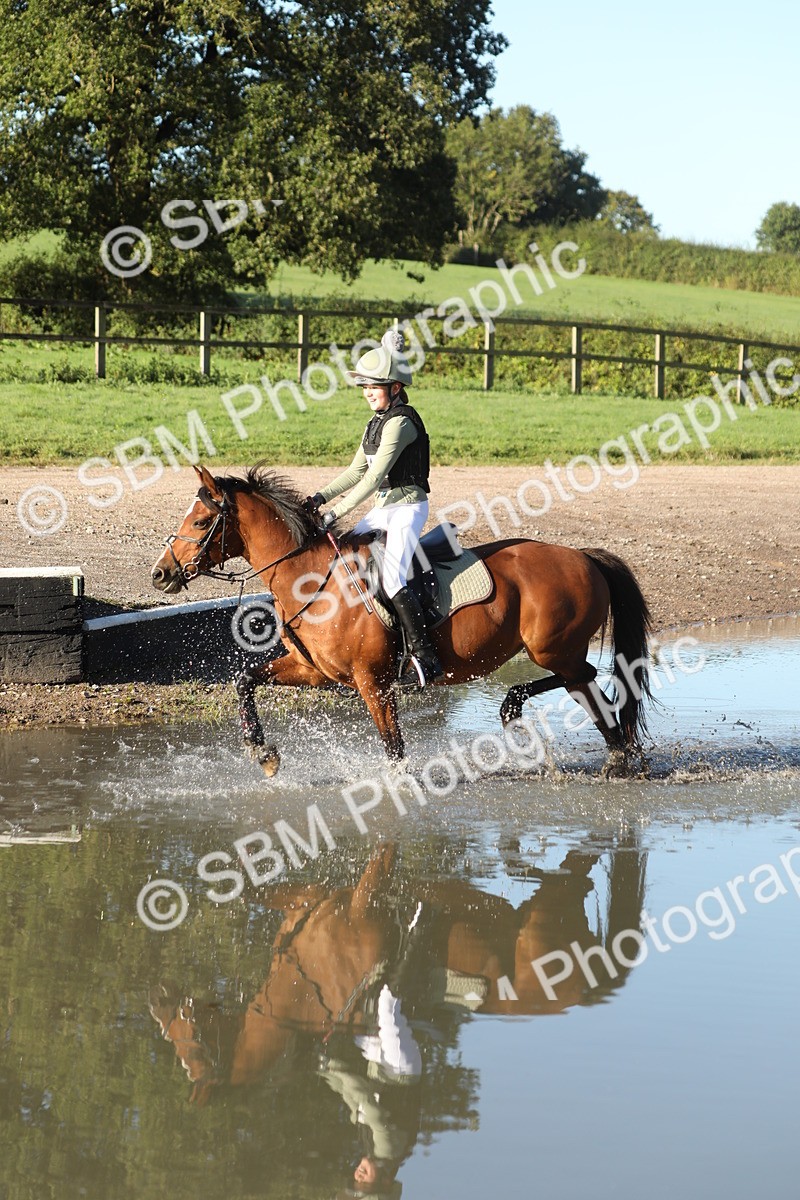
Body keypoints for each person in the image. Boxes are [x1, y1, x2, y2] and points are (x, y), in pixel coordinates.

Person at [307, 329, 443, 688]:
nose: (367, 392)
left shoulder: (401, 422)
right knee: (347, 563)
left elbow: (373, 479)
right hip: (384, 509)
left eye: (374, 385)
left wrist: (336, 513)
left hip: (407, 509)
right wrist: (319, 497)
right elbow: (355, 471)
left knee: (392, 577)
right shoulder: (375, 422)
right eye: (364, 386)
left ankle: (424, 657)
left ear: (395, 387)